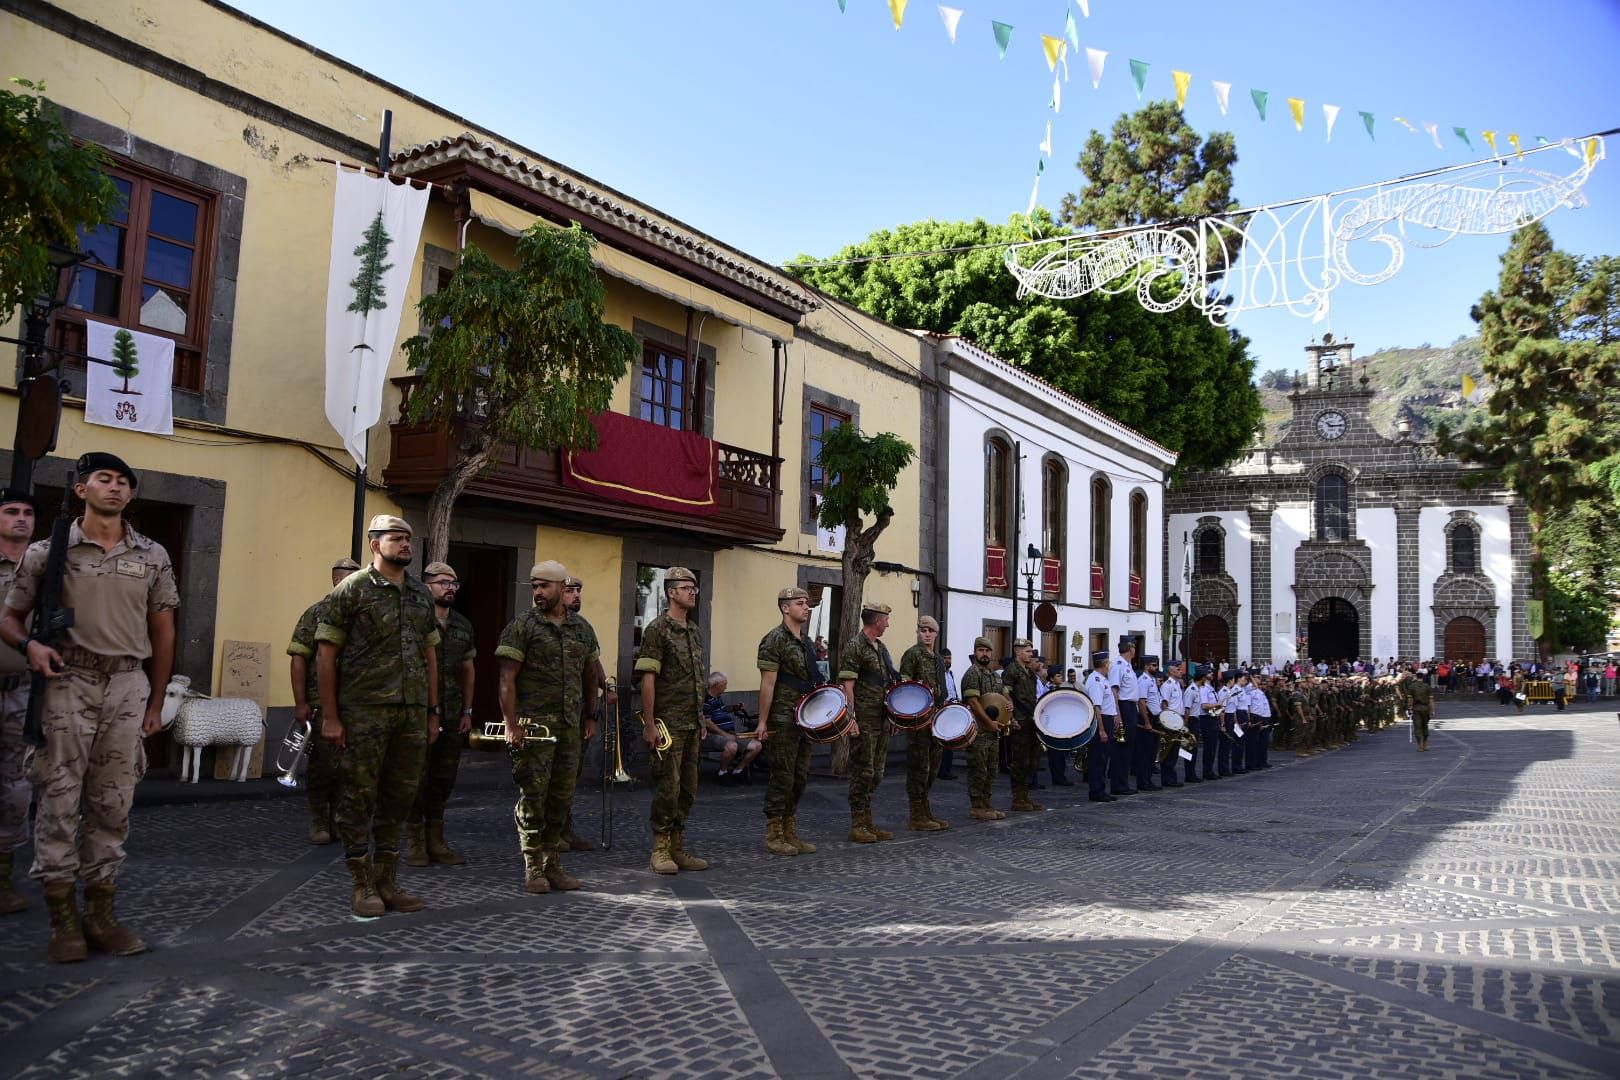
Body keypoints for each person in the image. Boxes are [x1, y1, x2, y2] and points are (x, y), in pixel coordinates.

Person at [1, 454, 178, 962]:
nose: (115, 488)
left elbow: (163, 630)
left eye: (123, 482)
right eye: (104, 479)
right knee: (58, 800)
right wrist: (31, 647)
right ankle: (63, 919)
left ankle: (101, 915)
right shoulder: (47, 551)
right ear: (82, 490)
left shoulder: (152, 554)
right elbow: (10, 618)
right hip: (67, 681)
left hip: (126, 683)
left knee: (113, 803)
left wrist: (157, 699)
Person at [315, 515, 440, 918]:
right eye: (396, 538)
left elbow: (430, 655)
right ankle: (361, 882)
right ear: (375, 544)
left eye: (408, 539)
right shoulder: (352, 590)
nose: (406, 545)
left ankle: (387, 878)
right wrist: (331, 716)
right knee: (358, 796)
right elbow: (326, 654)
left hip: (411, 713)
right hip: (363, 711)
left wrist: (432, 711)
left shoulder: (420, 594)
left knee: (399, 796)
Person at [496, 560, 599, 893]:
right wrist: (510, 723)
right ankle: (533, 865)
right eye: (534, 586)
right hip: (533, 727)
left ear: (560, 587)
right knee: (533, 796)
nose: (538, 592)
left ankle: (552, 862)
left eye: (544, 586)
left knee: (561, 797)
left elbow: (590, 675)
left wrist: (591, 716)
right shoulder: (522, 626)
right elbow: (507, 679)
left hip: (570, 727)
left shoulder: (581, 628)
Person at [635, 567, 709, 875]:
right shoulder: (657, 629)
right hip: (668, 723)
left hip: (692, 722)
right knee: (668, 786)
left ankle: (677, 845)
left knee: (688, 788)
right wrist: (649, 723)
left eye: (694, 588)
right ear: (671, 592)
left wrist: (701, 719)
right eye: (686, 587)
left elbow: (698, 680)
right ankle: (661, 848)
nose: (692, 592)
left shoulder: (693, 631)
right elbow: (648, 679)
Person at [405, 562, 476, 868]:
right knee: (415, 777)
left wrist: (467, 710)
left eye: (454, 583)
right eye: (443, 582)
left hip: (451, 713)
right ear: (427, 586)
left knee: (443, 778)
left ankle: (436, 840)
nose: (450, 588)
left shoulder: (462, 624)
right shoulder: (414, 620)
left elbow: (468, 670)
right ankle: (415, 841)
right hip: (417, 712)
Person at [286, 556, 361, 845]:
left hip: (356, 703)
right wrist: (300, 701)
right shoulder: (316, 613)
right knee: (322, 766)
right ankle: (319, 820)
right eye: (346, 579)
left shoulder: (363, 616)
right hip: (320, 702)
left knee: (349, 767)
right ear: (336, 580)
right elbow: (298, 658)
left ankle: (338, 819)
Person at [755, 587, 824, 856]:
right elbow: (767, 684)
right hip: (783, 717)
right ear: (785, 608)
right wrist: (762, 722)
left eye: (807, 603)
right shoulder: (774, 639)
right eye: (799, 603)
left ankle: (789, 829)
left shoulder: (805, 642)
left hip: (805, 718)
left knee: (800, 776)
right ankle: (774, 833)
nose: (806, 607)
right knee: (782, 776)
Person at [0, 488, 36, 916]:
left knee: (15, 788)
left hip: (22, 690)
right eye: (11, 511)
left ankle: (3, 878)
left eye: (28, 512)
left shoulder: (43, 569)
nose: (21, 518)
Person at [559, 575, 614, 852]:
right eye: (570, 590)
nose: (576, 595)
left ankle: (564, 827)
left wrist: (607, 687)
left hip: (578, 713)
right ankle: (546, 832)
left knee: (571, 773)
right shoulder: (536, 624)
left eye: (578, 590)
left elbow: (593, 663)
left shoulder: (582, 627)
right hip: (548, 713)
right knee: (550, 776)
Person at [842, 601, 899, 842]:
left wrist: (893, 716)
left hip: (882, 718)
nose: (888, 624)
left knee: (877, 773)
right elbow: (847, 686)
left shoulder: (881, 647)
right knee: (863, 771)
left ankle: (868, 822)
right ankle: (858, 824)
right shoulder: (855, 646)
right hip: (864, 719)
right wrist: (851, 717)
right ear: (876, 620)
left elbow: (889, 682)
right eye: (886, 619)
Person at [899, 616, 950, 831]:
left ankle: (925, 808)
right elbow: (904, 685)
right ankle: (916, 814)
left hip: (936, 718)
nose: (927, 634)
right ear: (918, 632)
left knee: (933, 767)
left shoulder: (938, 658)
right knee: (919, 767)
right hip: (919, 719)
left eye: (930, 631)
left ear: (936, 633)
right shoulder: (912, 654)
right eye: (923, 630)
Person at [959, 636, 1006, 821]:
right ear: (975, 652)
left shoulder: (994, 676)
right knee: (978, 770)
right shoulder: (973, 674)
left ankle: (987, 804)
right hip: (978, 732)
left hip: (993, 732)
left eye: (987, 651)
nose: (984, 654)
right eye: (981, 650)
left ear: (991, 653)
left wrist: (1008, 708)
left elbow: (1003, 697)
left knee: (991, 770)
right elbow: (973, 702)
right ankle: (977, 807)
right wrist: (988, 723)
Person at [1001, 638, 1043, 812]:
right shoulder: (1012, 670)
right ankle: (1018, 798)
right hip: (1019, 720)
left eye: (1031, 651)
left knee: (1031, 761)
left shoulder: (1029, 672)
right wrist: (1011, 718)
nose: (1030, 654)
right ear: (1018, 652)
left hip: (1031, 720)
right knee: (1020, 761)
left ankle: (1025, 796)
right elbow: (1005, 695)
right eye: (1027, 651)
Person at [702, 673, 762, 783]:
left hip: (730, 733)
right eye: (724, 684)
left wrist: (734, 707)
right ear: (716, 685)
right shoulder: (706, 701)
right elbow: (708, 723)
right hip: (713, 736)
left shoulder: (717, 698)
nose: (726, 687)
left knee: (757, 745)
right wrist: (725, 735)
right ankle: (722, 773)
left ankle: (738, 771)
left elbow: (723, 709)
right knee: (732, 746)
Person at [1083, 652, 1118, 803]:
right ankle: (1097, 791)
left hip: (1107, 719)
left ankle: (1101, 789)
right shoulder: (1096, 680)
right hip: (1101, 720)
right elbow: (1096, 707)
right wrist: (1102, 729)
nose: (1109, 665)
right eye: (1108, 662)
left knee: (1103, 758)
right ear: (1104, 663)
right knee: (1098, 758)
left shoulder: (1102, 679)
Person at [1107, 639, 1141, 796]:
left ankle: (1123, 782)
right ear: (1130, 648)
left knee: (1128, 748)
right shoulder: (1118, 665)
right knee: (1121, 747)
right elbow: (1115, 691)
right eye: (1134, 647)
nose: (1135, 650)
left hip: (1130, 706)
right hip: (1123, 706)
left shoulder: (1128, 666)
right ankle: (1118, 784)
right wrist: (1118, 714)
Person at [1134, 655, 1163, 792]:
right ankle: (1143, 781)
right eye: (1154, 665)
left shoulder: (1151, 680)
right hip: (1147, 717)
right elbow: (1141, 702)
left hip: (1155, 717)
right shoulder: (1143, 681)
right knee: (1145, 752)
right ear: (1146, 666)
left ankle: (1148, 779)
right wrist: (1146, 722)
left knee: (1151, 752)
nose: (1156, 668)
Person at [1156, 659, 1185, 789]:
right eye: (1178, 669)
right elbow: (1164, 704)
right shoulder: (1167, 685)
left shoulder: (1177, 684)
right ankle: (1167, 778)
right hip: (1171, 721)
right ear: (1171, 670)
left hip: (1178, 720)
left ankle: (1171, 777)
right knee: (1168, 750)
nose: (1181, 671)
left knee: (1174, 751)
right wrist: (1167, 721)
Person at [936, 648, 960, 780]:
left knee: (950, 741)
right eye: (945, 658)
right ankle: (941, 769)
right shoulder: (938, 674)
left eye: (949, 658)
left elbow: (952, 690)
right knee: (943, 741)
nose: (947, 661)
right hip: (942, 710)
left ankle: (947, 768)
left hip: (952, 709)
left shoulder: (950, 674)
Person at [1401, 671, 1435, 751]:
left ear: (1416, 677)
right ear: (1423, 677)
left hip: (1416, 708)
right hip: (1426, 708)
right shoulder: (1427, 686)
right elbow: (1431, 700)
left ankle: (1420, 746)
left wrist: (1409, 708)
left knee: (1417, 727)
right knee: (1425, 726)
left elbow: (1410, 699)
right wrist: (1433, 710)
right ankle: (1425, 744)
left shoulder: (1412, 687)